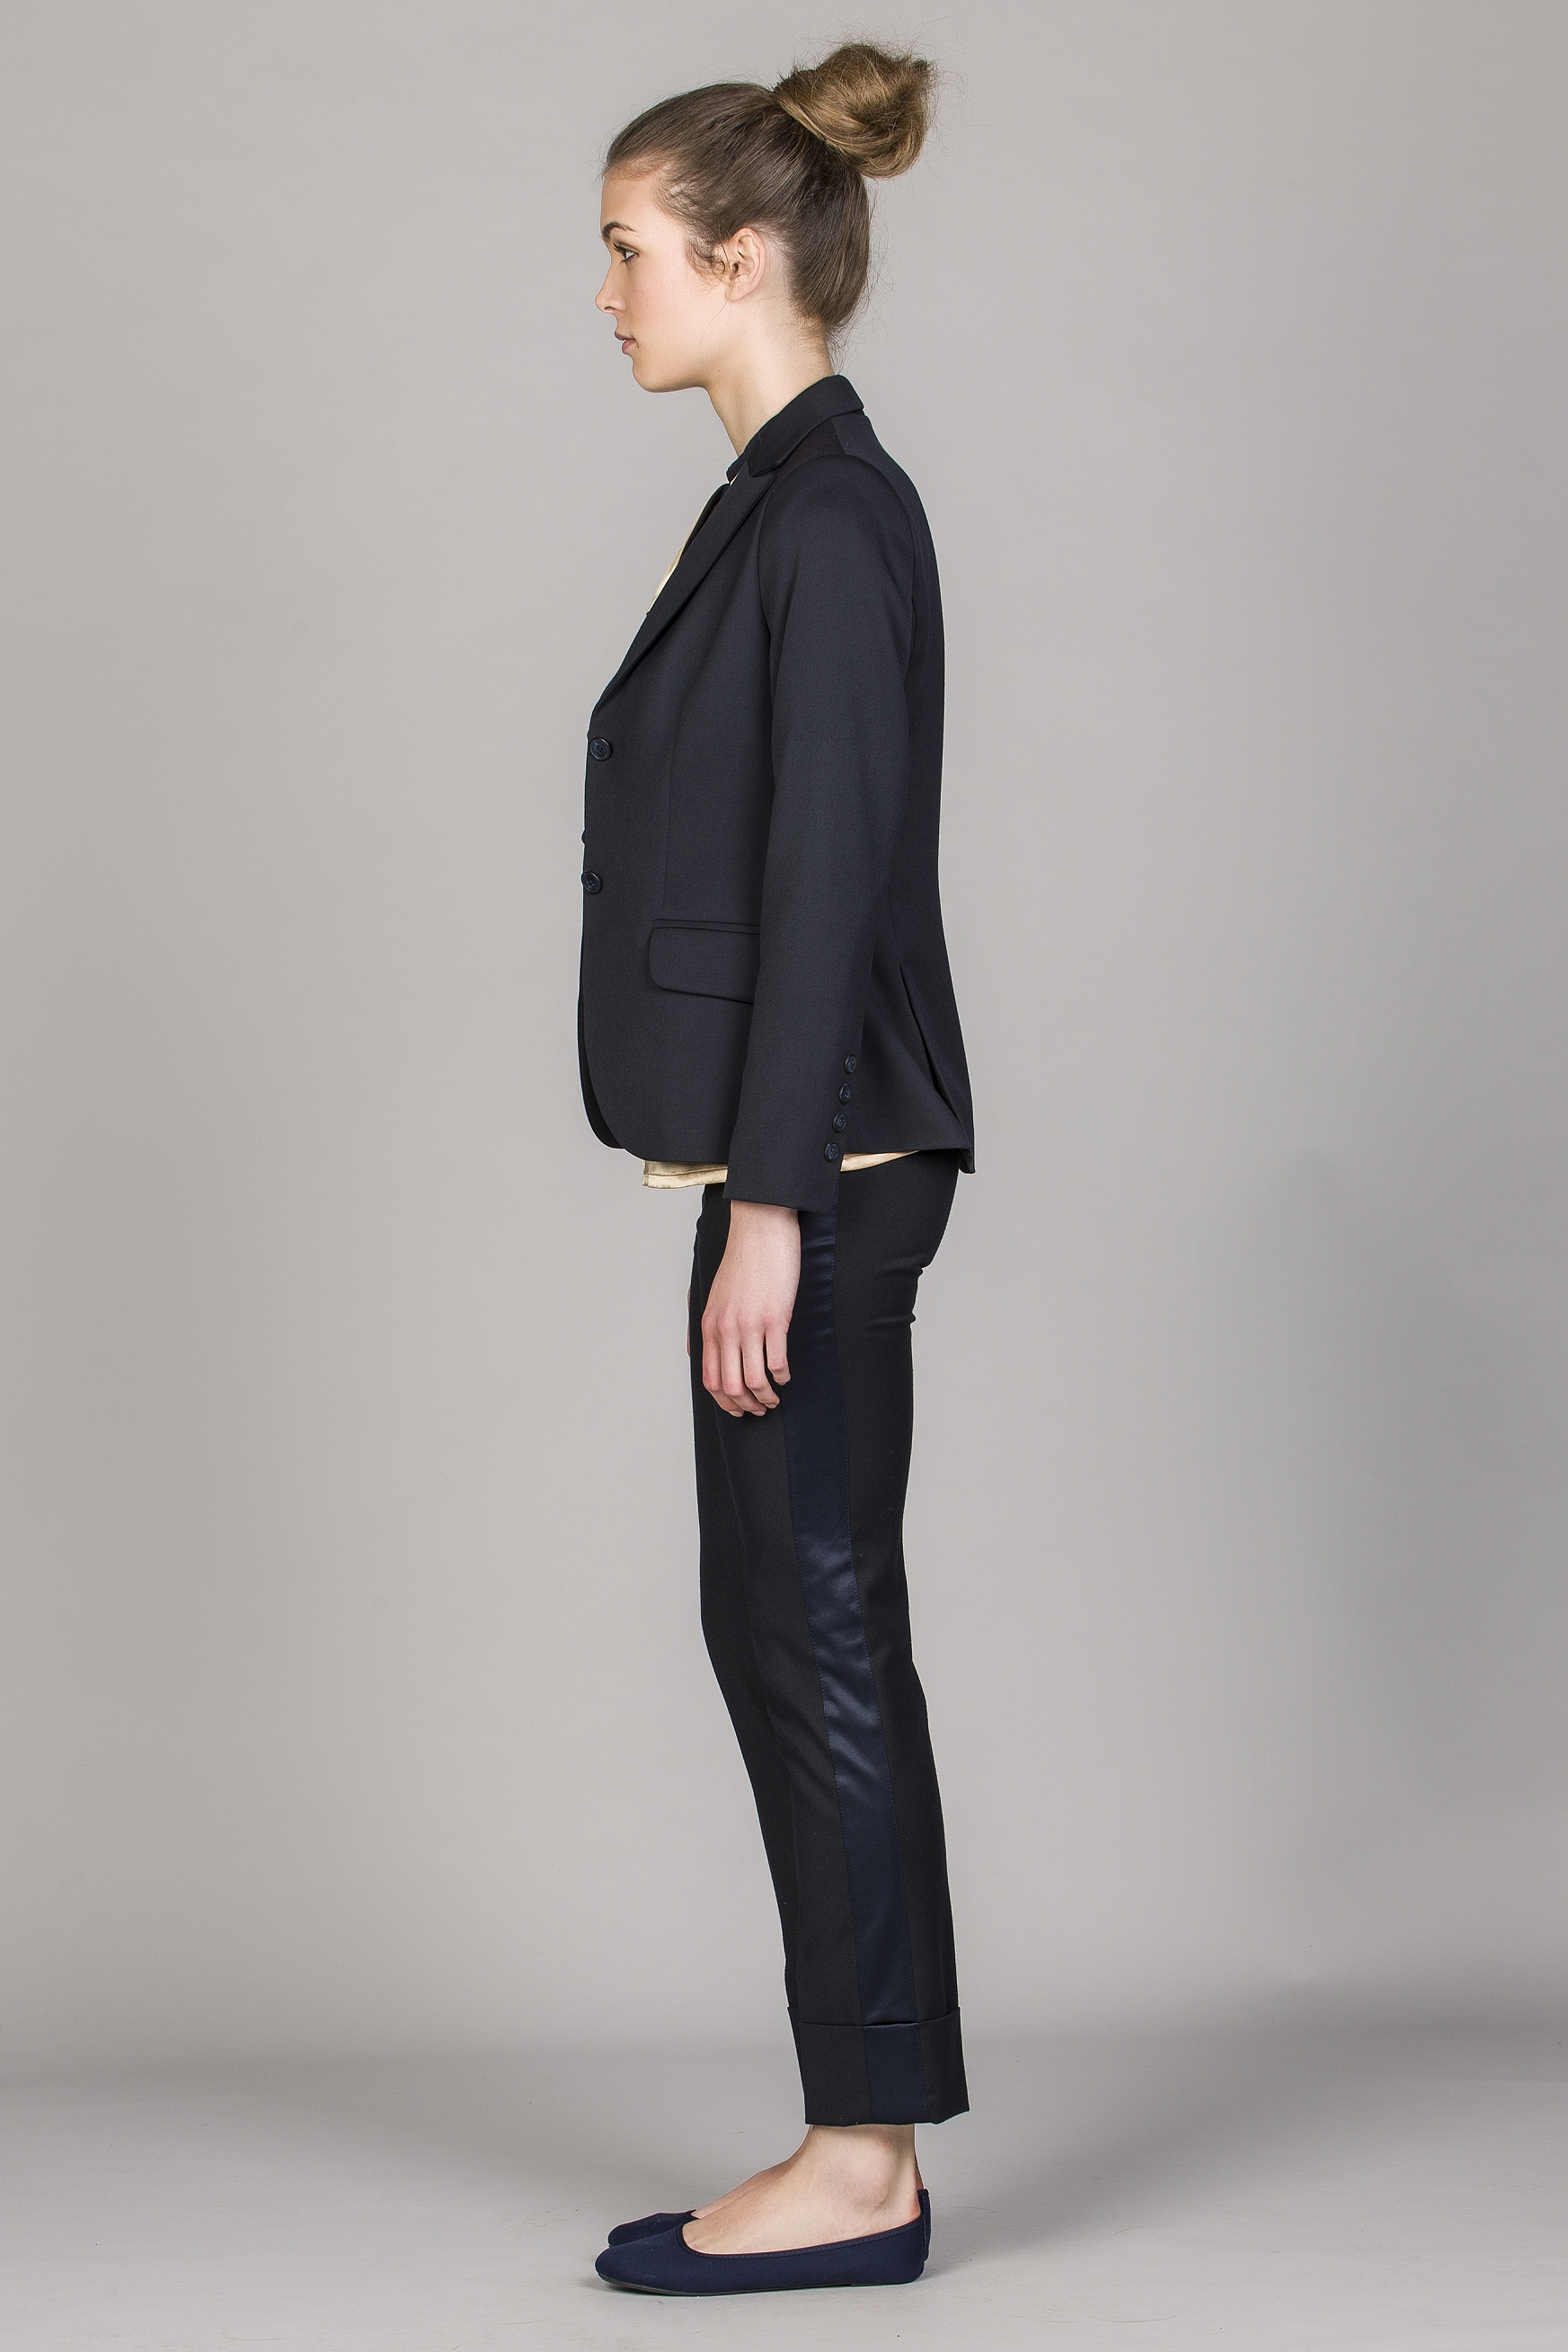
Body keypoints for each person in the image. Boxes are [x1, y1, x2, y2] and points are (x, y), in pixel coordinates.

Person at [578, 40, 975, 2297]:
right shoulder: (791, 497)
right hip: (799, 1157)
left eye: (630, 250)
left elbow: (829, 869)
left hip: (818, 1162)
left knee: (811, 1630)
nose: (607, 293)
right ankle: (861, 2131)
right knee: (789, 1621)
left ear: (742, 256)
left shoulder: (826, 515)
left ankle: (863, 2161)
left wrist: (773, 1197)